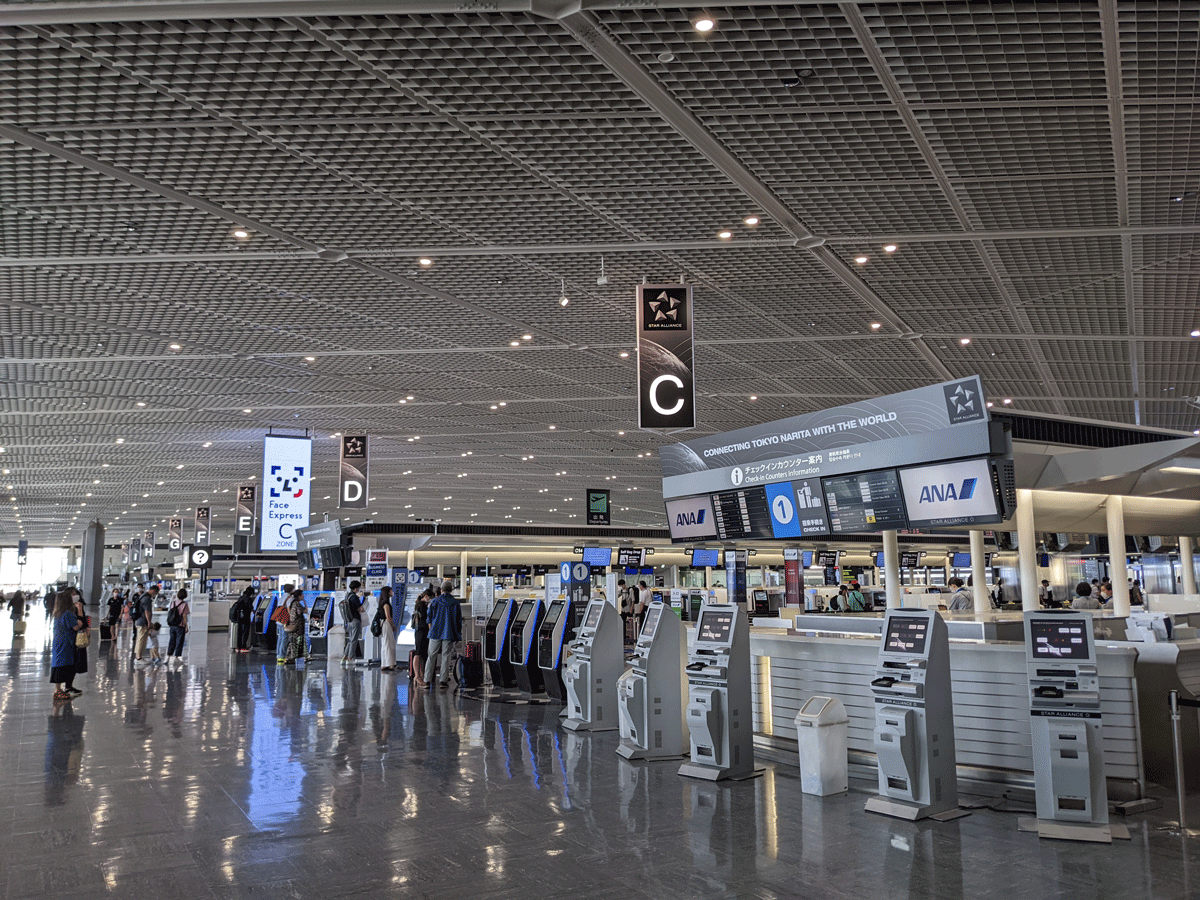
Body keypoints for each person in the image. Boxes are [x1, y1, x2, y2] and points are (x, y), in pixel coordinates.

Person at [423, 579, 462, 689]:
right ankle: (443, 681)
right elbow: (458, 621)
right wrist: (458, 634)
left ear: (441, 589)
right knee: (446, 656)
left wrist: (431, 629)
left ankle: (427, 680)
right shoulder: (455, 603)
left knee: (431, 656)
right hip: (448, 633)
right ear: (451, 590)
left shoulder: (435, 601)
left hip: (435, 632)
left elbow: (429, 617)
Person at [50, 590, 83, 699]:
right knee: (62, 664)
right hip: (66, 642)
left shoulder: (57, 612)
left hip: (59, 641)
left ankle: (59, 689)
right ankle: (58, 690)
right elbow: (76, 626)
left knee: (58, 662)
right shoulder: (68, 613)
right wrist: (80, 614)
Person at [134, 585, 158, 665]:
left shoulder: (142, 596)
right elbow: (147, 611)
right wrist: (149, 622)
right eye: (155, 593)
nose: (154, 595)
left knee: (140, 639)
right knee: (141, 640)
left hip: (139, 621)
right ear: (153, 591)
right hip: (142, 622)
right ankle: (138, 658)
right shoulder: (147, 598)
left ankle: (138, 656)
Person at [341, 581, 364, 665]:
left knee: (351, 639)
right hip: (355, 620)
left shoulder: (348, 596)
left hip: (349, 620)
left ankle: (345, 657)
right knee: (354, 640)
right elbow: (361, 609)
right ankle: (350, 658)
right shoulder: (354, 597)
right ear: (356, 588)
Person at [411, 588, 431, 685]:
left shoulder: (420, 604)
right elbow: (426, 619)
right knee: (418, 653)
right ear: (426, 596)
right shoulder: (422, 605)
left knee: (422, 653)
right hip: (421, 631)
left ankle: (420, 675)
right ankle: (417, 675)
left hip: (420, 631)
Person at [376, 586, 397, 671]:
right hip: (386, 624)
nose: (392, 592)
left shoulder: (382, 602)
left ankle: (384, 663)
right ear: (387, 592)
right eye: (391, 590)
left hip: (382, 624)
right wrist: (393, 626)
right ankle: (390, 664)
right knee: (389, 644)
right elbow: (388, 617)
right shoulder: (386, 603)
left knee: (385, 644)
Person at [283, 589, 306, 663]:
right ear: (299, 596)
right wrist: (305, 603)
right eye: (302, 595)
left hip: (292, 624)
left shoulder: (292, 603)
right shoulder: (297, 604)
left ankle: (289, 657)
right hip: (297, 626)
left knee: (292, 641)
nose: (303, 596)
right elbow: (303, 611)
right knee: (295, 642)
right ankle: (292, 657)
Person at [167, 588, 189, 664]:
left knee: (172, 640)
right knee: (179, 641)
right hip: (180, 625)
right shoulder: (184, 604)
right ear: (185, 596)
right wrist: (186, 626)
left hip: (172, 625)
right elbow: (184, 616)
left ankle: (168, 656)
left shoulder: (173, 603)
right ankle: (176, 657)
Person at [71, 589, 89, 680]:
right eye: (72, 594)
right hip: (70, 637)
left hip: (78, 637)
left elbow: (83, 622)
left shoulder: (80, 605)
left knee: (77, 660)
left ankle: (69, 685)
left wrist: (80, 610)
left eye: (76, 594)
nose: (74, 596)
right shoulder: (67, 608)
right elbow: (78, 623)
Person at [233, 586, 255, 651]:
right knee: (245, 632)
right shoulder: (248, 599)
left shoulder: (241, 598)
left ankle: (238, 647)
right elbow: (251, 608)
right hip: (246, 617)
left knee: (239, 632)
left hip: (239, 617)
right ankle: (243, 647)